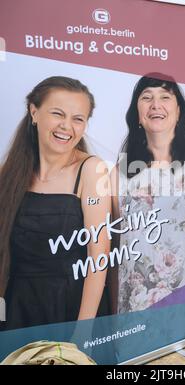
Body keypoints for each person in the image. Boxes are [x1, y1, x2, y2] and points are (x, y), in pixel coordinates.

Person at [0, 76, 111, 330]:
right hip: (18, 307)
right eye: (58, 114)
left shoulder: (92, 170)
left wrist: (83, 334)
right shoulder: (8, 174)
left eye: (78, 119)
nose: (67, 126)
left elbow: (98, 258)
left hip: (72, 307)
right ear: (34, 112)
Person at [110, 73, 185, 313]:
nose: (156, 105)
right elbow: (112, 239)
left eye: (165, 96)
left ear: (179, 110)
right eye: (146, 97)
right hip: (137, 298)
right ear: (137, 113)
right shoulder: (120, 171)